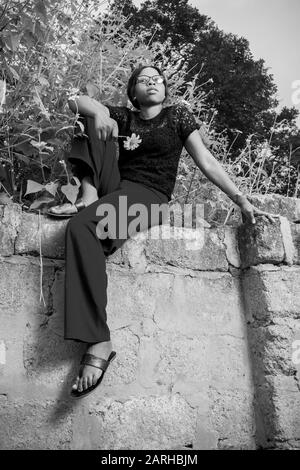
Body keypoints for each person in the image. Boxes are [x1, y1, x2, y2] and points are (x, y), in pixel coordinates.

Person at [48, 65, 278, 398]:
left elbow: (207, 160)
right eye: (144, 79)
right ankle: (88, 193)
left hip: (148, 195)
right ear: (133, 91)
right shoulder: (124, 118)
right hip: (114, 188)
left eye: (158, 79)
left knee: (82, 227)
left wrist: (240, 198)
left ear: (165, 88)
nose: (152, 82)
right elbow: (74, 101)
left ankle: (98, 338)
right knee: (87, 119)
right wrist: (98, 109)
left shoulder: (177, 117)